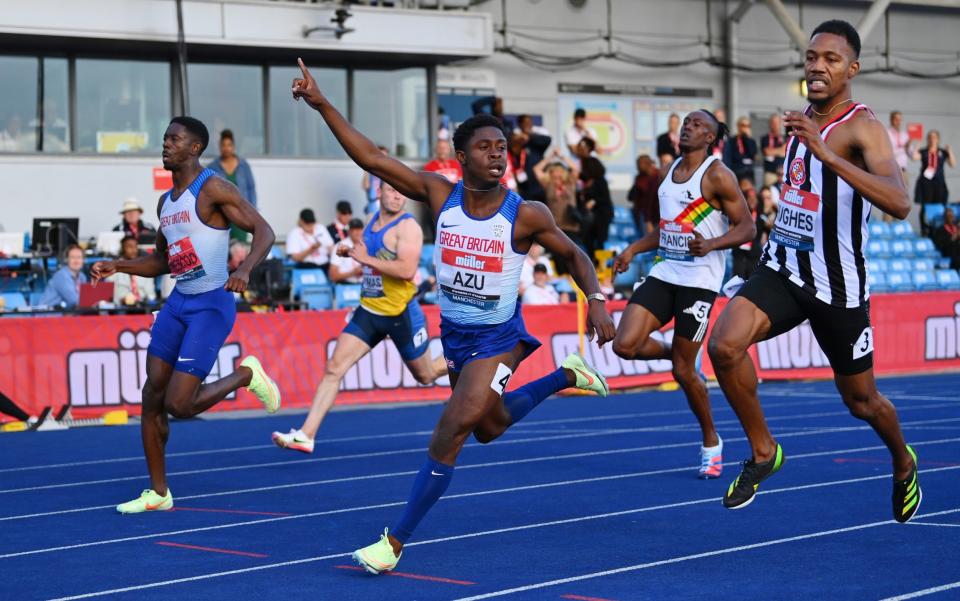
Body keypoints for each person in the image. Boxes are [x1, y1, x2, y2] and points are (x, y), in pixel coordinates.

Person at [291, 58, 615, 572]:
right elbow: (373, 158)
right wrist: (322, 103)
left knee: (450, 431)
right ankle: (565, 374)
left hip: (499, 339)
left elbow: (575, 255)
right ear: (460, 156)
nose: (496, 155)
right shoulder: (442, 195)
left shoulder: (525, 212)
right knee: (489, 426)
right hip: (458, 336)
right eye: (485, 147)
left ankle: (393, 543)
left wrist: (595, 298)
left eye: (502, 148)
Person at [707, 21, 921, 523]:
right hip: (785, 269)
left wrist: (827, 153)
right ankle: (765, 452)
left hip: (838, 286)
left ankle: (903, 458)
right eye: (810, 57)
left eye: (830, 58)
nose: (817, 66)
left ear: (852, 69)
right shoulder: (802, 117)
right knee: (724, 345)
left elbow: (900, 201)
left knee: (863, 402)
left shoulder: (862, 126)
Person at [90, 116, 280, 514]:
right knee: (151, 396)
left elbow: (264, 230)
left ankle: (246, 374)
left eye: (174, 140)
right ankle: (159, 493)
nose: (165, 145)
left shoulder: (212, 188)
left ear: (194, 148)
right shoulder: (165, 202)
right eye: (164, 139)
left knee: (180, 404)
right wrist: (118, 266)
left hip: (211, 303)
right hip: (179, 302)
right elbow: (163, 260)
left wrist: (244, 269)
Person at [611, 110, 754, 479]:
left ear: (709, 137)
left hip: (699, 282)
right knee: (624, 346)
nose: (687, 128)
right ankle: (676, 353)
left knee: (682, 371)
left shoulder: (718, 174)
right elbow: (666, 230)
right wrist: (632, 250)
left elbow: (748, 227)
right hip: (665, 272)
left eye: (696, 125)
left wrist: (714, 243)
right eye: (686, 123)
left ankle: (711, 441)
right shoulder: (668, 172)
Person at [273, 185, 448, 452]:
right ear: (380, 192)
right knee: (334, 368)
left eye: (402, 192)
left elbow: (406, 269)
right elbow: (368, 255)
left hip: (400, 313)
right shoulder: (370, 221)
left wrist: (365, 258)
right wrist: (351, 253)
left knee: (426, 374)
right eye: (392, 191)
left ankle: (468, 356)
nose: (398, 196)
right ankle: (306, 434)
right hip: (369, 310)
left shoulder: (408, 227)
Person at [207, 129, 258, 243]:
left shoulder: (244, 166)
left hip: (241, 213)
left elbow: (251, 189)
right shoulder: (212, 167)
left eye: (229, 145)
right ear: (220, 147)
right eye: (223, 145)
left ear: (233, 146)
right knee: (224, 248)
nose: (226, 148)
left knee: (240, 249)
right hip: (221, 214)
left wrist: (252, 212)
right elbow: (208, 191)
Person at [533, 149, 582, 261]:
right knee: (557, 256)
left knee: (570, 255)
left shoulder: (570, 182)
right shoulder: (548, 184)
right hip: (555, 225)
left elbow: (575, 169)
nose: (557, 173)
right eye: (554, 170)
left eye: (560, 170)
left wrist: (562, 156)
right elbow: (536, 170)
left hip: (570, 224)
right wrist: (550, 157)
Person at [912, 129, 955, 234]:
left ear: (938, 139)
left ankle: (939, 228)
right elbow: (914, 157)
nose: (932, 139)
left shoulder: (942, 152)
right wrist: (917, 147)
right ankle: (925, 229)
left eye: (934, 137)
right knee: (925, 206)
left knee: (941, 205)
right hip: (926, 184)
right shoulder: (924, 151)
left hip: (939, 183)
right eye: (930, 137)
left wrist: (949, 151)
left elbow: (953, 164)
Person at [577, 139, 614, 254]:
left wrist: (594, 201)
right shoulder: (586, 184)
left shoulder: (600, 181)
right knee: (588, 240)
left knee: (599, 242)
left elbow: (605, 199)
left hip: (602, 215)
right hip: (591, 218)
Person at [731, 178, 766, 280]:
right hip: (739, 251)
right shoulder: (739, 214)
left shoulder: (760, 215)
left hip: (754, 252)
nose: (752, 201)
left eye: (754, 198)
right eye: (749, 198)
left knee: (752, 280)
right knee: (737, 281)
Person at [109, 235, 157, 306]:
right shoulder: (114, 268)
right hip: (120, 307)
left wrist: (144, 300)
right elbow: (110, 294)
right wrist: (120, 300)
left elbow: (151, 294)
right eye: (130, 247)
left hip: (142, 306)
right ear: (122, 249)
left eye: (135, 247)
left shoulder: (144, 267)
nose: (134, 250)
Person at [628, 154, 661, 234]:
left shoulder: (658, 175)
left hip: (657, 214)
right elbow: (630, 197)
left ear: (647, 163)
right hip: (643, 213)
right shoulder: (639, 178)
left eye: (640, 164)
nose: (638, 167)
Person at [327, 218, 365, 284]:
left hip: (364, 285)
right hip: (346, 285)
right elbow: (332, 276)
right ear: (349, 231)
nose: (358, 232)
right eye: (355, 229)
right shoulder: (341, 246)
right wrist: (353, 272)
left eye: (360, 229)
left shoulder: (367, 244)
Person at [726, 116, 758, 185]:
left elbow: (753, 155)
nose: (745, 128)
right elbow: (730, 158)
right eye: (743, 125)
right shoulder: (732, 141)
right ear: (738, 126)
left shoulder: (751, 141)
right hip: (737, 171)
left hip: (749, 171)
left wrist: (747, 139)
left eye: (748, 126)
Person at [361, 145, 390, 215]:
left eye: (385, 157)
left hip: (385, 208)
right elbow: (365, 186)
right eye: (381, 156)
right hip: (372, 207)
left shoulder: (388, 173)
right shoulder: (371, 172)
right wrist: (366, 169)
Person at [760, 114, 787, 187]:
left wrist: (774, 151)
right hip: (770, 173)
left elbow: (785, 152)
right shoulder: (764, 138)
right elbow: (767, 152)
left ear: (780, 123)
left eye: (776, 123)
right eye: (773, 123)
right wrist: (781, 150)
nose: (774, 125)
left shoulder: (785, 138)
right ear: (770, 124)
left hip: (783, 173)